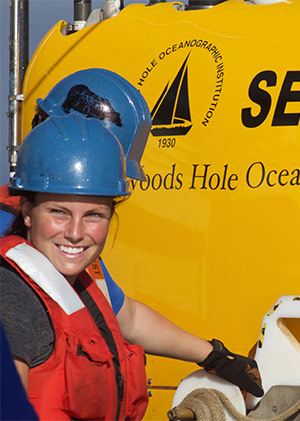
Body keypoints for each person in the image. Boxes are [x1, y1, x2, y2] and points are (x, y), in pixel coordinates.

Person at [0, 114, 263, 420]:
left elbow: (131, 319)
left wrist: (214, 355)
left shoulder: (77, 280)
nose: (75, 232)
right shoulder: (14, 298)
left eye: (94, 216)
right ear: (28, 213)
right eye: (59, 212)